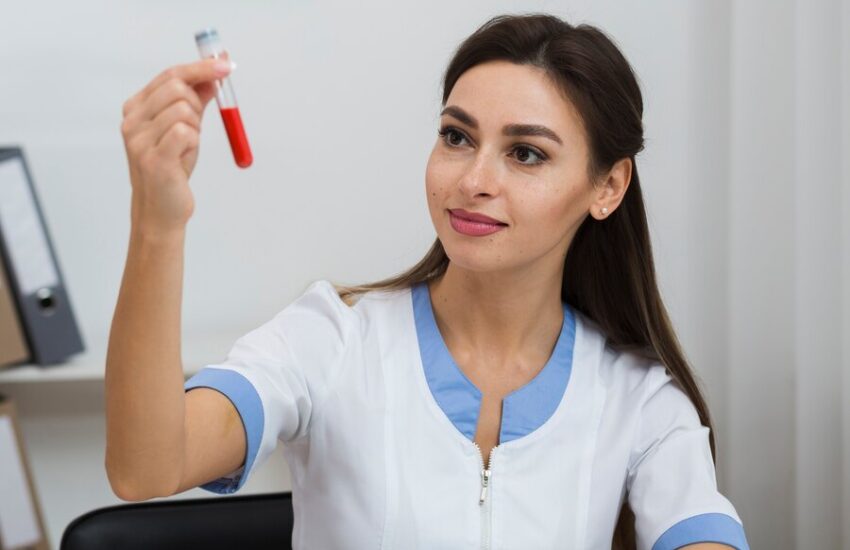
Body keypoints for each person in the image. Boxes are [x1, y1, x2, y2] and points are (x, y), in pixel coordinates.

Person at [105, 12, 750, 550]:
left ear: (607, 187)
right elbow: (146, 465)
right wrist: (157, 226)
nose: (473, 180)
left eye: (525, 153)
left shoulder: (639, 399)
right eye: (457, 136)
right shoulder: (332, 341)